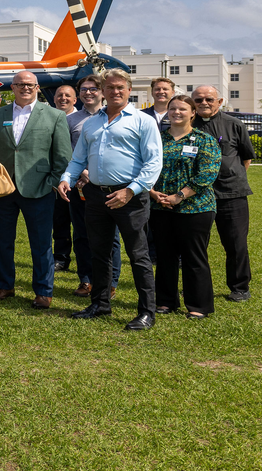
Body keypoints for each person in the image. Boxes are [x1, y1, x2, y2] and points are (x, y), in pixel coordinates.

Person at [58, 69, 163, 329]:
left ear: (129, 90)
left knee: (138, 255)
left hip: (130, 196)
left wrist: (131, 190)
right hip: (95, 195)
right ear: (102, 91)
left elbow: (154, 162)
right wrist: (66, 178)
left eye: (121, 87)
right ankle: (100, 303)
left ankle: (146, 312)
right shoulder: (92, 123)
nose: (115, 91)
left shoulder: (143, 121)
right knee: (99, 253)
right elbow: (78, 158)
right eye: (110, 87)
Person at [0, 70, 72, 309]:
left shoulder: (54, 115)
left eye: (31, 85)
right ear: (11, 88)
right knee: (2, 241)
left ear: (37, 88)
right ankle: (5, 285)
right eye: (20, 84)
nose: (26, 88)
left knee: (41, 242)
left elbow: (63, 155)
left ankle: (43, 291)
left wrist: (51, 182)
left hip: (39, 189)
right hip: (4, 189)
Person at [150, 95, 221, 318]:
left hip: (196, 208)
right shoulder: (157, 139)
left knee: (193, 257)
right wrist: (153, 193)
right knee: (165, 256)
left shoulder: (203, 140)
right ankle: (165, 302)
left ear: (193, 113)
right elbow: (144, 167)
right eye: (172, 109)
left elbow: (207, 174)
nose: (176, 112)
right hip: (160, 207)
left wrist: (180, 196)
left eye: (182, 109)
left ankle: (198, 306)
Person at [192, 85, 253, 302]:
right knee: (195, 244)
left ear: (220, 101)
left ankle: (240, 287)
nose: (204, 103)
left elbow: (246, 158)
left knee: (236, 243)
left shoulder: (234, 124)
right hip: (196, 195)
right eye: (198, 100)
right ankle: (195, 287)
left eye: (209, 99)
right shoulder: (187, 125)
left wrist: (228, 177)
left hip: (231, 194)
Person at [68, 75, 121, 299]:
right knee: (81, 234)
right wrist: (82, 172)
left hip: (108, 186)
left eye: (93, 89)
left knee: (112, 237)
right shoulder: (71, 120)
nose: (88, 93)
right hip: (79, 186)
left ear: (102, 92)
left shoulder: (113, 116)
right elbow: (66, 151)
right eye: (84, 89)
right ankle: (86, 280)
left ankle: (111, 281)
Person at [51, 85, 77, 272]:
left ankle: (87, 259)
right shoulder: (49, 118)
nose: (63, 98)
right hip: (57, 179)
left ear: (75, 100)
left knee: (83, 224)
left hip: (82, 179)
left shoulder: (84, 119)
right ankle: (60, 258)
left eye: (68, 95)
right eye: (59, 95)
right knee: (59, 221)